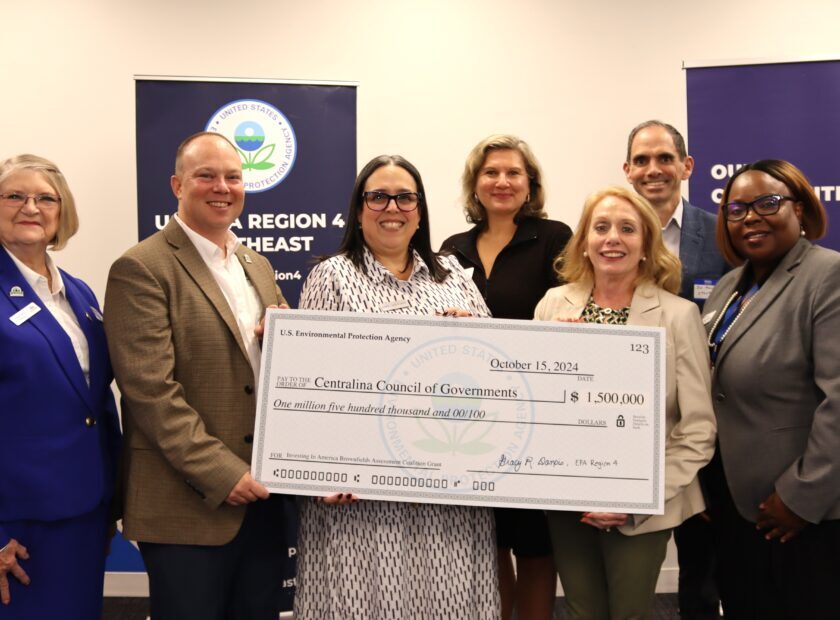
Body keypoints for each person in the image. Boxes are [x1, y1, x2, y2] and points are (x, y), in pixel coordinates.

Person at [294, 155, 499, 619]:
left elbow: (495, 381)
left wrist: (476, 343)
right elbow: (311, 386)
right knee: (366, 603)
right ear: (360, 208)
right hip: (362, 496)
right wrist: (321, 473)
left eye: (406, 196)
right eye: (379, 196)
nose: (393, 207)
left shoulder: (455, 279)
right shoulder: (332, 277)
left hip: (448, 493)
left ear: (421, 210)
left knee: (447, 601)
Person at [103, 132, 290, 620]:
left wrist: (290, 339)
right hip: (187, 504)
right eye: (206, 175)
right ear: (177, 184)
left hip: (264, 500)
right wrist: (224, 473)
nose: (221, 187)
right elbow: (151, 392)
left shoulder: (258, 265)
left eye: (232, 176)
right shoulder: (142, 267)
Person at [534, 186, 716, 620]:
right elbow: (535, 411)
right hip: (569, 501)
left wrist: (637, 495)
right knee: (581, 611)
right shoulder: (552, 306)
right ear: (584, 242)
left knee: (630, 612)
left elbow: (697, 430)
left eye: (627, 229)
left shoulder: (678, 315)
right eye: (601, 227)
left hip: (644, 507)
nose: (612, 237)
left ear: (646, 246)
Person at [440, 134, 571, 620]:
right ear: (475, 184)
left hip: (534, 417)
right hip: (472, 419)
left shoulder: (556, 238)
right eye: (491, 172)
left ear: (529, 183)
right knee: (488, 539)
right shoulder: (452, 248)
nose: (502, 181)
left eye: (513, 172)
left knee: (535, 544)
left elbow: (570, 315)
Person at [703, 160, 840, 619]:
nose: (750, 217)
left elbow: (838, 401)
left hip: (799, 513)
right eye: (736, 208)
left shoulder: (828, 277)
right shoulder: (728, 288)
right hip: (737, 505)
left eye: (768, 203)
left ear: (800, 209)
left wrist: (801, 498)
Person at [0, 154, 121, 618]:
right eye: (15, 195)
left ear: (61, 212)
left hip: (85, 511)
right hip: (18, 524)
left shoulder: (79, 293)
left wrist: (112, 497)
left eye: (45, 198)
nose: (31, 207)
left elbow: (95, 401)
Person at [624, 120, 728, 619]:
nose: (653, 170)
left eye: (664, 158)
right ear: (627, 170)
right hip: (630, 421)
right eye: (641, 160)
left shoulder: (724, 232)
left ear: (687, 166)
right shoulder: (612, 231)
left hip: (702, 423)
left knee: (702, 565)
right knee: (626, 565)